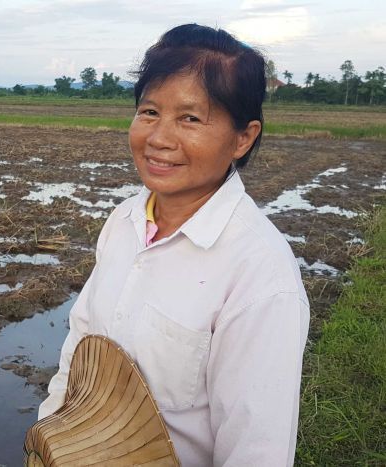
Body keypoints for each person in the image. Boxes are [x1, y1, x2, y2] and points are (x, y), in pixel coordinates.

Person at [38, 24, 309, 466]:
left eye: (190, 118)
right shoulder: (124, 220)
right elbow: (81, 344)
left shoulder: (260, 273)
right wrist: (49, 438)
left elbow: (255, 450)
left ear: (244, 137)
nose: (159, 138)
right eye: (149, 112)